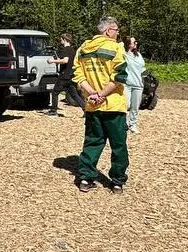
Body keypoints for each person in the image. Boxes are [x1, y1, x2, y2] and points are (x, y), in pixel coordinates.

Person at [72, 16, 129, 193]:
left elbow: (78, 76)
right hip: (113, 106)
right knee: (118, 145)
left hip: (92, 105)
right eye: (117, 30)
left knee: (92, 142)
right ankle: (117, 181)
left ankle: (85, 178)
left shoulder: (83, 48)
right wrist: (103, 95)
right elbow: (120, 77)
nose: (118, 34)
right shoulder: (115, 48)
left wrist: (92, 94)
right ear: (108, 31)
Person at [45, 34, 82, 115]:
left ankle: (53, 111)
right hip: (71, 75)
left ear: (64, 39)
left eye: (61, 39)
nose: (60, 41)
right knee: (74, 94)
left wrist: (52, 61)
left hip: (64, 75)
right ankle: (85, 109)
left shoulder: (65, 49)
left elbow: (65, 60)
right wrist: (58, 60)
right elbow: (66, 60)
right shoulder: (72, 50)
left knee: (55, 92)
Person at [124, 36, 146, 134]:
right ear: (129, 44)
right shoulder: (123, 54)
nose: (136, 44)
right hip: (127, 84)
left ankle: (133, 124)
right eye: (134, 42)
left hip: (138, 84)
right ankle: (124, 124)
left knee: (135, 106)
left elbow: (142, 67)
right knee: (126, 104)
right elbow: (119, 45)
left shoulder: (138, 55)